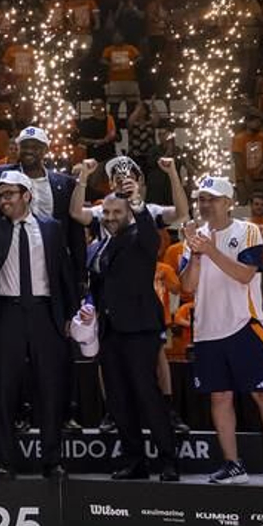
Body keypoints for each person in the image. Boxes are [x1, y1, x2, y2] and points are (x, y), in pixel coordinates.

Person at [179, 175, 263, 485]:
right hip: (207, 329)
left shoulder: (247, 231)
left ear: (227, 202)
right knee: (219, 398)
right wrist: (195, 253)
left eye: (211, 199)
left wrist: (210, 251)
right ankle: (233, 464)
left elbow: (246, 275)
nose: (204, 204)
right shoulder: (193, 236)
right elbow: (187, 286)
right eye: (201, 199)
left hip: (244, 324)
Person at [0, 161, 79, 479]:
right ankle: (7, 461)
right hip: (5, 314)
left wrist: (69, 314)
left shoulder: (52, 227)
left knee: (50, 388)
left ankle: (52, 460)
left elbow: (64, 274)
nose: (3, 201)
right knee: (4, 389)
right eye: (0, 197)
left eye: (10, 194)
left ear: (26, 194)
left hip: (44, 313)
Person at [84, 193, 181, 480]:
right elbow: (99, 286)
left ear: (129, 212)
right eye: (107, 212)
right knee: (118, 399)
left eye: (117, 212)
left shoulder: (142, 236)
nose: (111, 217)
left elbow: (152, 237)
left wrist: (139, 206)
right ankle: (134, 460)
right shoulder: (101, 245)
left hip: (140, 329)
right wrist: (89, 309)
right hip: (110, 330)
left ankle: (168, 460)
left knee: (147, 395)